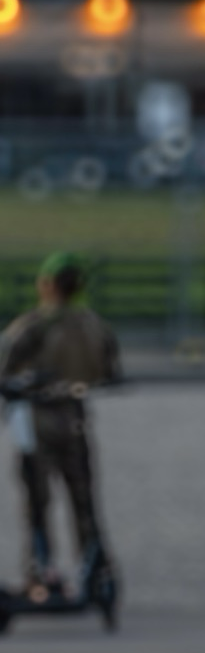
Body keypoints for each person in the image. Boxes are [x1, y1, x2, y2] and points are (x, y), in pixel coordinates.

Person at [0, 252, 121, 591]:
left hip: (36, 420)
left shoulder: (34, 325)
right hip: (75, 417)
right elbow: (110, 372)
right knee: (83, 500)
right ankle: (94, 566)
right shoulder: (95, 325)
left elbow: (5, 369)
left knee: (38, 502)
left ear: (47, 284)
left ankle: (41, 569)